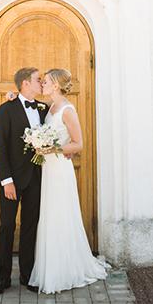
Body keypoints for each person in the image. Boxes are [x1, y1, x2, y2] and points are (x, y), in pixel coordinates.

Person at [28, 69, 107, 293]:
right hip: (48, 169)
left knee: (60, 215)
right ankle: (50, 268)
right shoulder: (49, 107)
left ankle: (63, 271)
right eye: (42, 81)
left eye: (46, 81)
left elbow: (78, 143)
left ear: (56, 85)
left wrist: (53, 148)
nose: (42, 83)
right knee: (49, 216)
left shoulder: (67, 109)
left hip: (60, 169)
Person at [0, 67, 48, 297]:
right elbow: (1, 147)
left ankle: (27, 276)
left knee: (30, 227)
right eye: (37, 80)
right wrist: (6, 181)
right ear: (25, 83)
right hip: (12, 180)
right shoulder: (6, 109)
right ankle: (3, 278)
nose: (41, 83)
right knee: (6, 227)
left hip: (35, 177)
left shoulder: (43, 110)